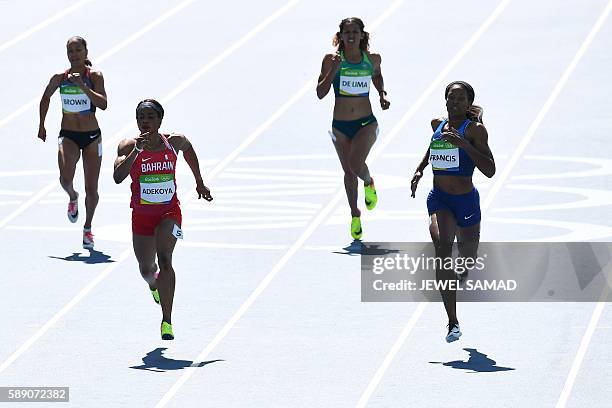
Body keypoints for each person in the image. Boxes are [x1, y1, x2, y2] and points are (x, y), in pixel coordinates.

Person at [113, 99, 213, 340]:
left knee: (165, 258)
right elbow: (118, 177)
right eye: (141, 117)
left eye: (150, 117)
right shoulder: (128, 146)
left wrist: (199, 181)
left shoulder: (174, 141)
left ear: (159, 120)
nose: (145, 121)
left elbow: (188, 148)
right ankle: (153, 283)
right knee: (147, 269)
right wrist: (137, 152)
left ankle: (166, 320)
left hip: (170, 213)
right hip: (142, 217)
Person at [410, 81, 495, 343]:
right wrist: (420, 168)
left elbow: (490, 170)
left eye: (460, 99)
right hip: (440, 199)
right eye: (450, 98)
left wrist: (465, 145)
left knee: (467, 258)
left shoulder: (476, 131)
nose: (454, 103)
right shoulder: (437, 124)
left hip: (466, 201)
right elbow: (433, 146)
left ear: (469, 103)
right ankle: (452, 322)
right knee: (443, 249)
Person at [316, 17, 391, 240]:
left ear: (361, 35)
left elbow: (377, 76)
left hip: (365, 122)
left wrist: (381, 94)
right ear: (340, 36)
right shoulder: (331, 60)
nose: (351, 35)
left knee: (355, 164)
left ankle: (368, 182)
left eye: (355, 32)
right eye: (346, 32)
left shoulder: (372, 59)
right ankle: (354, 214)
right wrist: (334, 70)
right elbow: (320, 93)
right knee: (348, 172)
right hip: (340, 125)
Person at [38, 36, 107, 249]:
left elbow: (103, 104)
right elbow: (45, 98)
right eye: (70, 51)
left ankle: (87, 228)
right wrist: (42, 125)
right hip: (68, 134)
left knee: (92, 188)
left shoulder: (94, 76)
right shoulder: (60, 78)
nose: (74, 54)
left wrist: (82, 86)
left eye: (78, 50)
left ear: (86, 52)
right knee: (65, 177)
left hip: (92, 136)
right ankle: (72, 196)